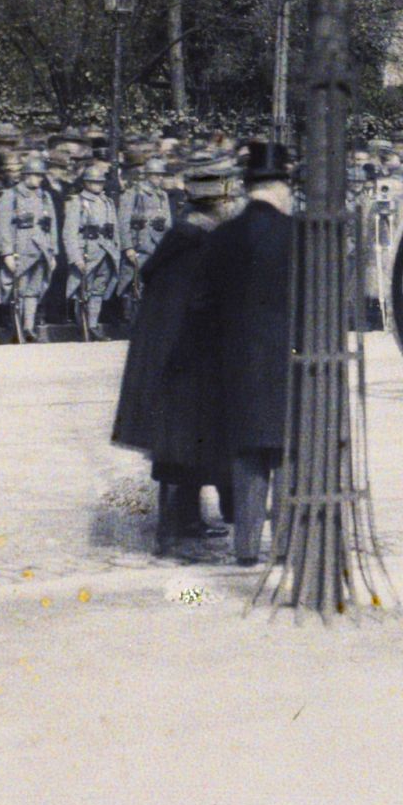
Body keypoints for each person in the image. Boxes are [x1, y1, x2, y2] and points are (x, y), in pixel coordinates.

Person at [112, 168, 240, 555]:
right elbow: (200, 308)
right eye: (226, 203)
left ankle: (186, 521)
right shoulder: (195, 247)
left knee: (185, 451)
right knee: (181, 449)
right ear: (213, 207)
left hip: (174, 364)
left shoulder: (179, 244)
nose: (231, 209)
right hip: (185, 366)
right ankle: (174, 532)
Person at [201, 140, 297, 566]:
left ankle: (244, 550)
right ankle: (283, 546)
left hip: (235, 363)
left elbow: (203, 303)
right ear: (281, 189)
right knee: (284, 455)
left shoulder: (223, 236)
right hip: (287, 362)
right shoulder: (297, 236)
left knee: (246, 457)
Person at [0, 155, 60, 343]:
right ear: (25, 176)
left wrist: (53, 251)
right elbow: (3, 227)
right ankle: (15, 326)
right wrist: (6, 252)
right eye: (34, 175)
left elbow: (51, 225)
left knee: (34, 290)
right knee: (18, 289)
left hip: (42, 249)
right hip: (21, 249)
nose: (38, 179)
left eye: (40, 176)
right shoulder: (11, 195)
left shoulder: (45, 196)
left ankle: (28, 327)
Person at [64, 164, 123, 340]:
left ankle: (93, 325)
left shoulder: (108, 202)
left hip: (106, 251)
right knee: (82, 291)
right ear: (85, 183)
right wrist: (75, 257)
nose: (98, 185)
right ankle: (81, 326)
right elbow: (69, 233)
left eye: (100, 182)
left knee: (98, 290)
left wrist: (116, 250)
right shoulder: (77, 202)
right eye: (93, 182)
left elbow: (115, 228)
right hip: (87, 251)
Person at [118, 158, 175, 323]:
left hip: (158, 246)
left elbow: (168, 223)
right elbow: (123, 222)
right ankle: (132, 319)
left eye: (161, 175)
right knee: (134, 284)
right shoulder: (133, 193)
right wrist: (127, 246)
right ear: (147, 175)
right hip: (140, 245)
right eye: (155, 175)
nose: (159, 178)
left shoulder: (162, 195)